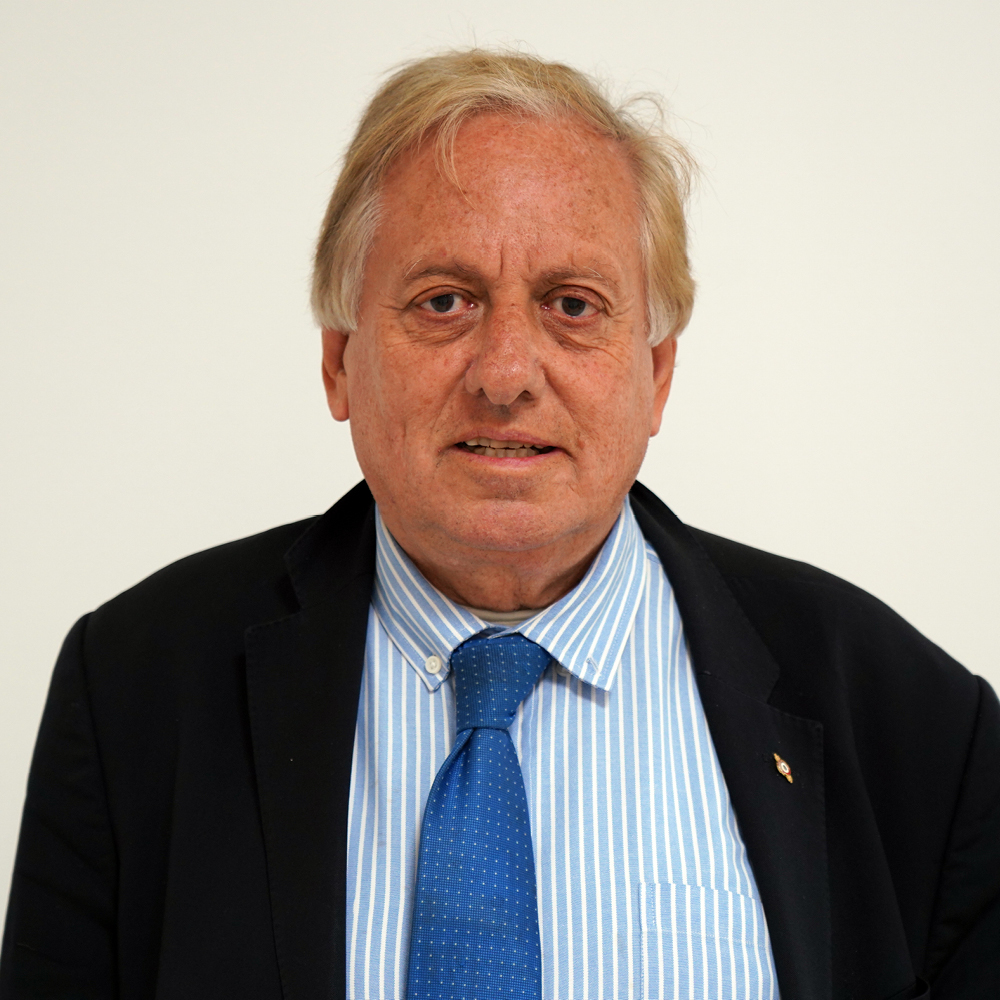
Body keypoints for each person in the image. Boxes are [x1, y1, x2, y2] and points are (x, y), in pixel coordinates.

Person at [1, 48, 997, 1000]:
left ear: (656, 374)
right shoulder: (132, 689)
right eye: (444, 301)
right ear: (339, 360)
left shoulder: (916, 726)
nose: (507, 373)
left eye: (573, 305)